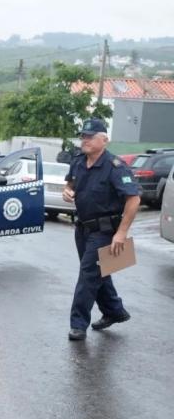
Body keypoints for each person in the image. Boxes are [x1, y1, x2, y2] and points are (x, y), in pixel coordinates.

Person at [62, 118, 140, 341]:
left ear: (104, 140)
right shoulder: (78, 161)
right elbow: (70, 184)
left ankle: (78, 325)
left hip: (105, 232)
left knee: (88, 275)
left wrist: (121, 233)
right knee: (98, 272)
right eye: (83, 136)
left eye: (90, 136)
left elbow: (133, 199)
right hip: (83, 229)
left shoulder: (115, 166)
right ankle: (114, 311)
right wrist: (67, 191)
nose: (84, 140)